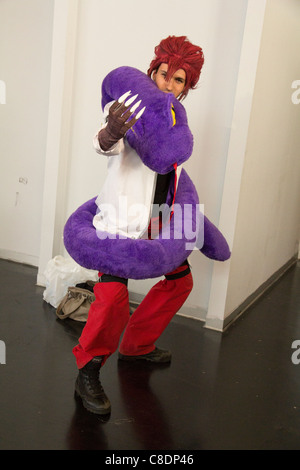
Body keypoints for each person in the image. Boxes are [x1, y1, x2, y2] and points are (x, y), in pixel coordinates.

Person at [73, 36, 205, 415]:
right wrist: (111, 133)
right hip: (120, 225)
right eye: (165, 74)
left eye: (179, 80)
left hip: (159, 223)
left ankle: (137, 346)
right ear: (153, 71)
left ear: (186, 87)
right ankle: (89, 369)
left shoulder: (177, 118)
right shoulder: (127, 105)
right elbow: (102, 145)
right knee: (112, 298)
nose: (169, 84)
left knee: (181, 280)